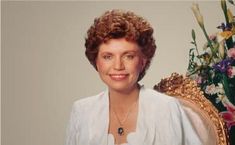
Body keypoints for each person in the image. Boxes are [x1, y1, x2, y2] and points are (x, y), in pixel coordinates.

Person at [66, 9, 202, 145]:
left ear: (142, 61)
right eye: (108, 57)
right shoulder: (82, 112)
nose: (118, 66)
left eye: (128, 56)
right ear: (96, 61)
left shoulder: (166, 109)